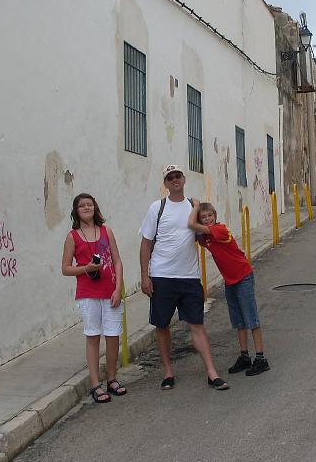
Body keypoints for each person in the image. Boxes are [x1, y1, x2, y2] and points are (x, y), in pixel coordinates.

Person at [139, 165, 228, 391]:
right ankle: (168, 371)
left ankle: (212, 372)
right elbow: (146, 243)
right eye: (170, 177)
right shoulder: (157, 208)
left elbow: (206, 235)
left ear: (184, 179)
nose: (175, 180)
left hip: (189, 276)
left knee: (197, 324)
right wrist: (145, 276)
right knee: (162, 325)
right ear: (166, 183)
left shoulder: (193, 207)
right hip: (162, 276)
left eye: (178, 176)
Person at [188, 201, 270, 377]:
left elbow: (190, 225)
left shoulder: (220, 230)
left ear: (215, 216)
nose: (207, 219)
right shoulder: (207, 237)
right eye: (204, 217)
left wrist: (194, 207)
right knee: (238, 320)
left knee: (251, 317)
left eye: (210, 215)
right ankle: (244, 356)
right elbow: (193, 233)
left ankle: (261, 358)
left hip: (243, 276)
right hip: (230, 280)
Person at [61, 193, 126, 404]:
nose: (87, 208)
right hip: (88, 294)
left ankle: (112, 379)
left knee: (113, 335)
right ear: (76, 211)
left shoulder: (107, 231)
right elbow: (65, 269)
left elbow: (117, 261)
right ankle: (95, 384)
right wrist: (86, 268)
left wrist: (118, 289)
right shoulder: (73, 236)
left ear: (95, 207)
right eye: (82, 206)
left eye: (90, 204)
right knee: (93, 336)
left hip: (110, 292)